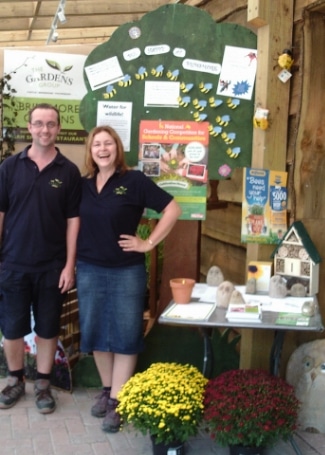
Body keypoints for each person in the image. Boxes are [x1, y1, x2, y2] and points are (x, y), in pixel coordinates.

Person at [76, 125, 181, 433]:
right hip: (90, 269)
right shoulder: (83, 185)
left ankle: (120, 401)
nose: (103, 149)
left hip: (126, 270)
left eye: (108, 143)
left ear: (117, 148)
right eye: (97, 144)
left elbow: (172, 209)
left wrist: (148, 244)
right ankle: (108, 391)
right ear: (91, 151)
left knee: (125, 333)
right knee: (95, 331)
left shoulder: (133, 181)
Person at [0, 103, 81, 414]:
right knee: (12, 327)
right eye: (39, 123)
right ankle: (15, 379)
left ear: (58, 128)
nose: (44, 129)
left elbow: (74, 221)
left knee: (47, 328)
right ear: (29, 127)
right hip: (14, 264)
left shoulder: (68, 171)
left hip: (52, 267)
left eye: (51, 124)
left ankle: (43, 383)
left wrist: (69, 265)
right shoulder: (9, 168)